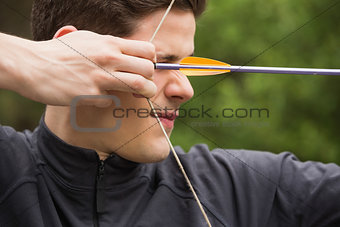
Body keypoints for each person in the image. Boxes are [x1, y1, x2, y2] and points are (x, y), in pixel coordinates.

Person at [0, 0, 339, 226]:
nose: (185, 89)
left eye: (185, 64)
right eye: (162, 62)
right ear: (74, 54)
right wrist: (28, 61)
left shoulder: (242, 190)